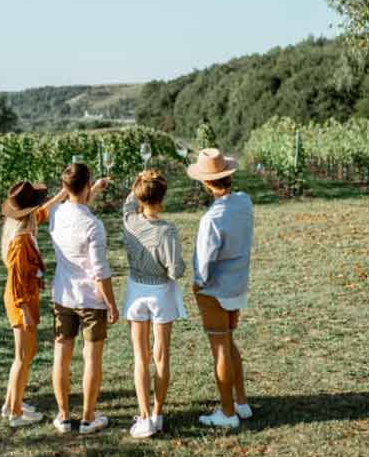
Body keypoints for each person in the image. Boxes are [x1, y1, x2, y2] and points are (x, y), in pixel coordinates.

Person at [49, 163, 119, 435]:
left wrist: (92, 189)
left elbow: (72, 202)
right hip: (91, 300)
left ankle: (64, 416)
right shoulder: (93, 225)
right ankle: (89, 417)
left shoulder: (56, 214)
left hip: (63, 295)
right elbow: (100, 271)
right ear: (87, 186)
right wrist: (111, 303)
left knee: (61, 356)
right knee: (92, 360)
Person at [187, 149, 254, 429]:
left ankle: (227, 413)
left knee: (220, 349)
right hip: (238, 284)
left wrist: (197, 284)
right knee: (229, 342)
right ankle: (241, 401)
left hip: (215, 289)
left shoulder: (211, 219)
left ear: (205, 183)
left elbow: (205, 261)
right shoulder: (244, 202)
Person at [121, 169, 186, 438]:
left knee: (140, 357)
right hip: (161, 293)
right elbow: (175, 271)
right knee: (161, 356)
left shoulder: (129, 222)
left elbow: (127, 203)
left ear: (139, 196)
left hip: (137, 291)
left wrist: (140, 178)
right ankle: (158, 412)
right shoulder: (167, 231)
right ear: (162, 197)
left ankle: (144, 416)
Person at [0, 180, 68, 427]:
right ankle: (16, 413)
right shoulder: (20, 242)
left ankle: (11, 404)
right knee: (23, 356)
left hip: (23, 299)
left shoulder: (24, 229)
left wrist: (63, 192)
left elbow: (46, 209)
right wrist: (26, 311)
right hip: (21, 302)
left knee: (25, 354)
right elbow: (18, 282)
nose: (40, 207)